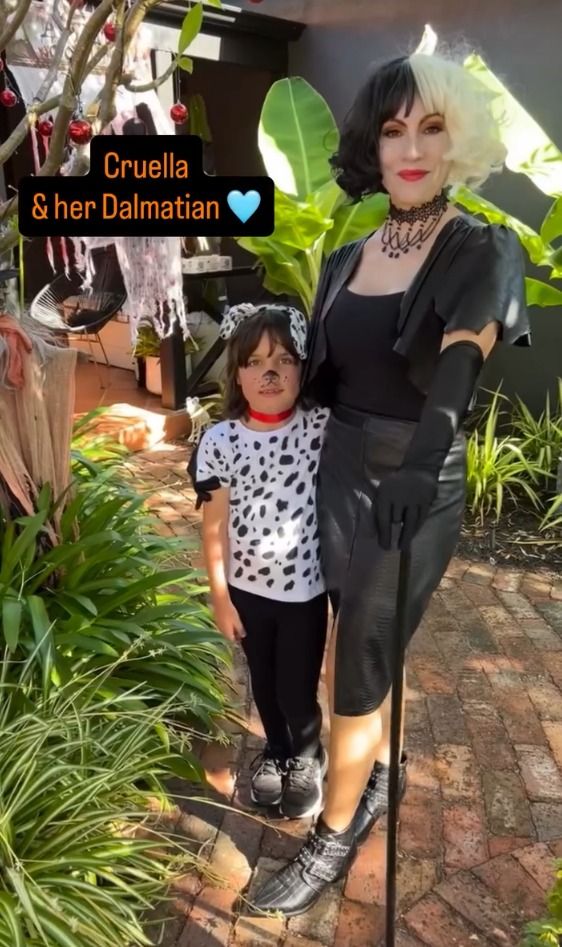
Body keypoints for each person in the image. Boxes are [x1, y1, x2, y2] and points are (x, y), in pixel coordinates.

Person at [249, 51, 531, 915]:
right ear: (372, 145)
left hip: (413, 479)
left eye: (431, 128)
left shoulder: (481, 247)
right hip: (336, 469)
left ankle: (332, 838)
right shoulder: (347, 254)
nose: (411, 148)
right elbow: (329, 378)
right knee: (361, 637)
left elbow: (458, 367)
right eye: (394, 129)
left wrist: (420, 461)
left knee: (356, 664)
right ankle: (380, 767)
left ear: (457, 140)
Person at [188, 303, 330, 820]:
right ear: (238, 374)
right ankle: (277, 748)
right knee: (264, 684)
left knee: (297, 687)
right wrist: (220, 597)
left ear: (302, 368)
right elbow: (213, 526)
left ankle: (308, 757)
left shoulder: (321, 428)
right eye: (255, 362)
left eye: (283, 360)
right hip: (246, 591)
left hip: (304, 593)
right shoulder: (220, 441)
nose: (270, 374)